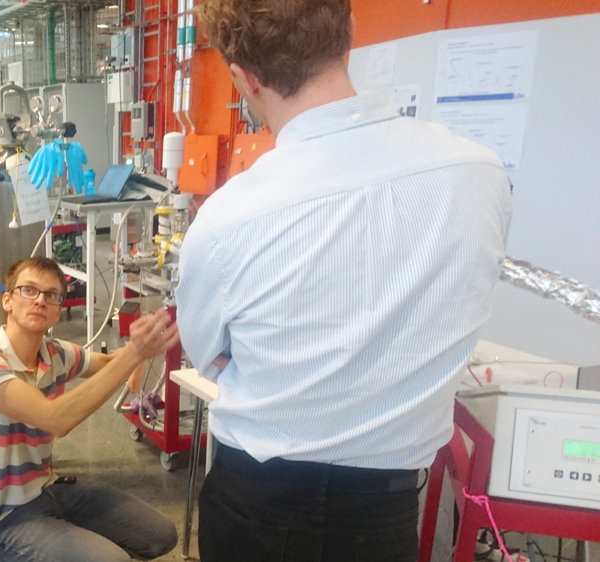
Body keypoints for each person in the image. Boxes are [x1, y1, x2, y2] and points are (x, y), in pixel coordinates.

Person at [176, 0, 512, 561]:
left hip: (259, 505)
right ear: (349, 32)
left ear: (244, 77)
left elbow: (209, 357)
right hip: (384, 515)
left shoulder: (229, 218)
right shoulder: (477, 173)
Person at [0, 257, 180, 562]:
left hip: (45, 489)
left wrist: (136, 350)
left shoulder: (55, 353)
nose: (39, 301)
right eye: (28, 290)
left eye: (51, 295)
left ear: (59, 310)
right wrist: (135, 353)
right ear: (7, 301)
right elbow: (55, 419)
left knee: (161, 534)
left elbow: (112, 364)